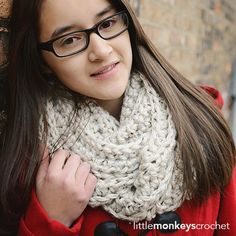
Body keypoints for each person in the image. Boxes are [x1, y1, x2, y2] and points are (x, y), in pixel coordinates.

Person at [0, 0, 235, 235]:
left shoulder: (200, 121)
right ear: (43, 62)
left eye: (108, 23)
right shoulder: (31, 163)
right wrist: (50, 220)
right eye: (70, 39)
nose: (101, 52)